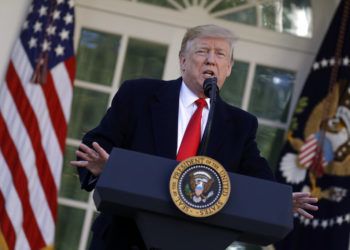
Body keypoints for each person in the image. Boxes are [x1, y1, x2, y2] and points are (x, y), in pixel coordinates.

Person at [71, 24, 318, 250]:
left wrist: (278, 200)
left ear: (229, 68)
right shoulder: (139, 95)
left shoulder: (239, 125)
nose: (211, 59)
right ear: (183, 61)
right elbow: (97, 143)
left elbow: (258, 178)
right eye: (202, 51)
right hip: (123, 239)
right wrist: (104, 167)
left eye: (220, 54)